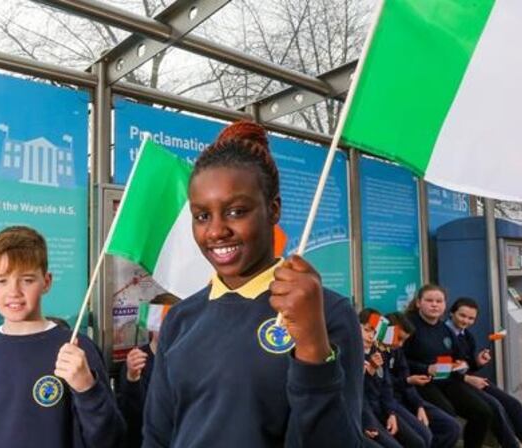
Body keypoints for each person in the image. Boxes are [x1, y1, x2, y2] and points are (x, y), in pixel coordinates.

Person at [143, 121, 364, 447]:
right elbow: (158, 435)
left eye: (236, 211)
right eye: (202, 216)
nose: (216, 231)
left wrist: (313, 346)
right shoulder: (179, 318)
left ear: (272, 210)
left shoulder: (326, 312)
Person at [0, 226, 125, 447]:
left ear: (46, 282)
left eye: (27, 280)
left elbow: (111, 440)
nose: (14, 292)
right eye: (1, 281)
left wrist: (87, 388)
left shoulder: (76, 349)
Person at [447, 298, 522, 448]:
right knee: (494, 406)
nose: (466, 321)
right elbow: (442, 369)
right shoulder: (443, 334)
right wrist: (466, 378)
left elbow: (465, 366)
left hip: (467, 379)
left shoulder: (467, 336)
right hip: (453, 383)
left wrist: (477, 362)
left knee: (513, 404)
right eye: (462, 316)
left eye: (471, 318)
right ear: (451, 313)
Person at [402, 285, 493, 448]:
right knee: (448, 418)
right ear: (418, 303)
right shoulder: (408, 324)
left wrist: (474, 363)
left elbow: (457, 359)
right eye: (429, 300)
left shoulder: (444, 329)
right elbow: (396, 359)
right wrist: (426, 368)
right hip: (421, 382)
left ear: (445, 305)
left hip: (446, 379)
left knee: (483, 412)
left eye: (439, 301)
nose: (434, 305)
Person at [383, 312, 461, 448]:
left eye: (404, 340)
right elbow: (383, 385)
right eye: (398, 338)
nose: (400, 344)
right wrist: (407, 381)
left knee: (452, 427)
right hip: (388, 402)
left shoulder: (397, 351)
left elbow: (405, 376)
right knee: (423, 437)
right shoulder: (376, 352)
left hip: (405, 398)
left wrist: (419, 405)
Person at [118, 293, 180, 448]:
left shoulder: (188, 359)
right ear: (151, 324)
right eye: (162, 321)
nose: (169, 328)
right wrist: (132, 378)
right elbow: (130, 414)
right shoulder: (137, 362)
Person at [360, 318, 427, 448]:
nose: (371, 336)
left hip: (385, 405)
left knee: (421, 440)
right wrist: (367, 421)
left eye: (374, 332)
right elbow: (361, 394)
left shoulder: (380, 352)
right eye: (367, 330)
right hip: (366, 412)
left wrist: (391, 412)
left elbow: (387, 386)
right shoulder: (355, 354)